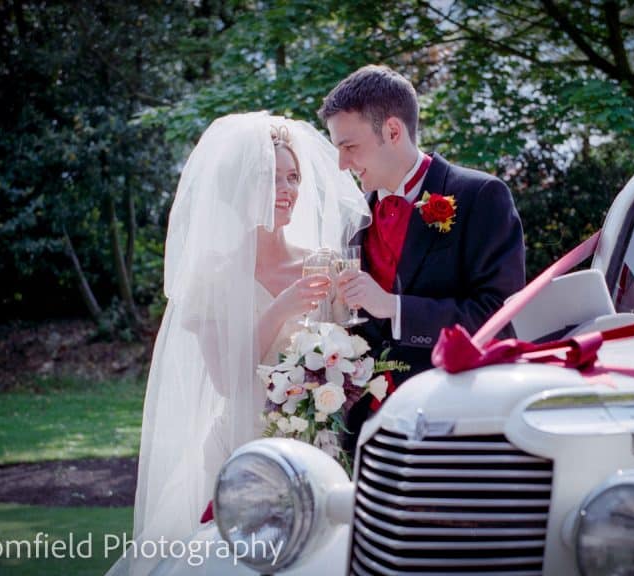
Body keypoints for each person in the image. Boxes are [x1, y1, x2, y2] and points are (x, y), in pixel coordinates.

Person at [104, 112, 369, 576]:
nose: (287, 190)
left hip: (316, 450)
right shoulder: (211, 278)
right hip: (239, 452)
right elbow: (227, 380)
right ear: (240, 190)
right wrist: (280, 307)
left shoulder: (322, 265)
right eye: (272, 179)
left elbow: (349, 357)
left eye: (293, 177)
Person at [322, 65, 525, 454]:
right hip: (368, 435)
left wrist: (394, 307)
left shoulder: (480, 196)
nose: (341, 165)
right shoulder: (352, 219)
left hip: (459, 423)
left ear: (393, 132)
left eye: (349, 147)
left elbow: (497, 318)